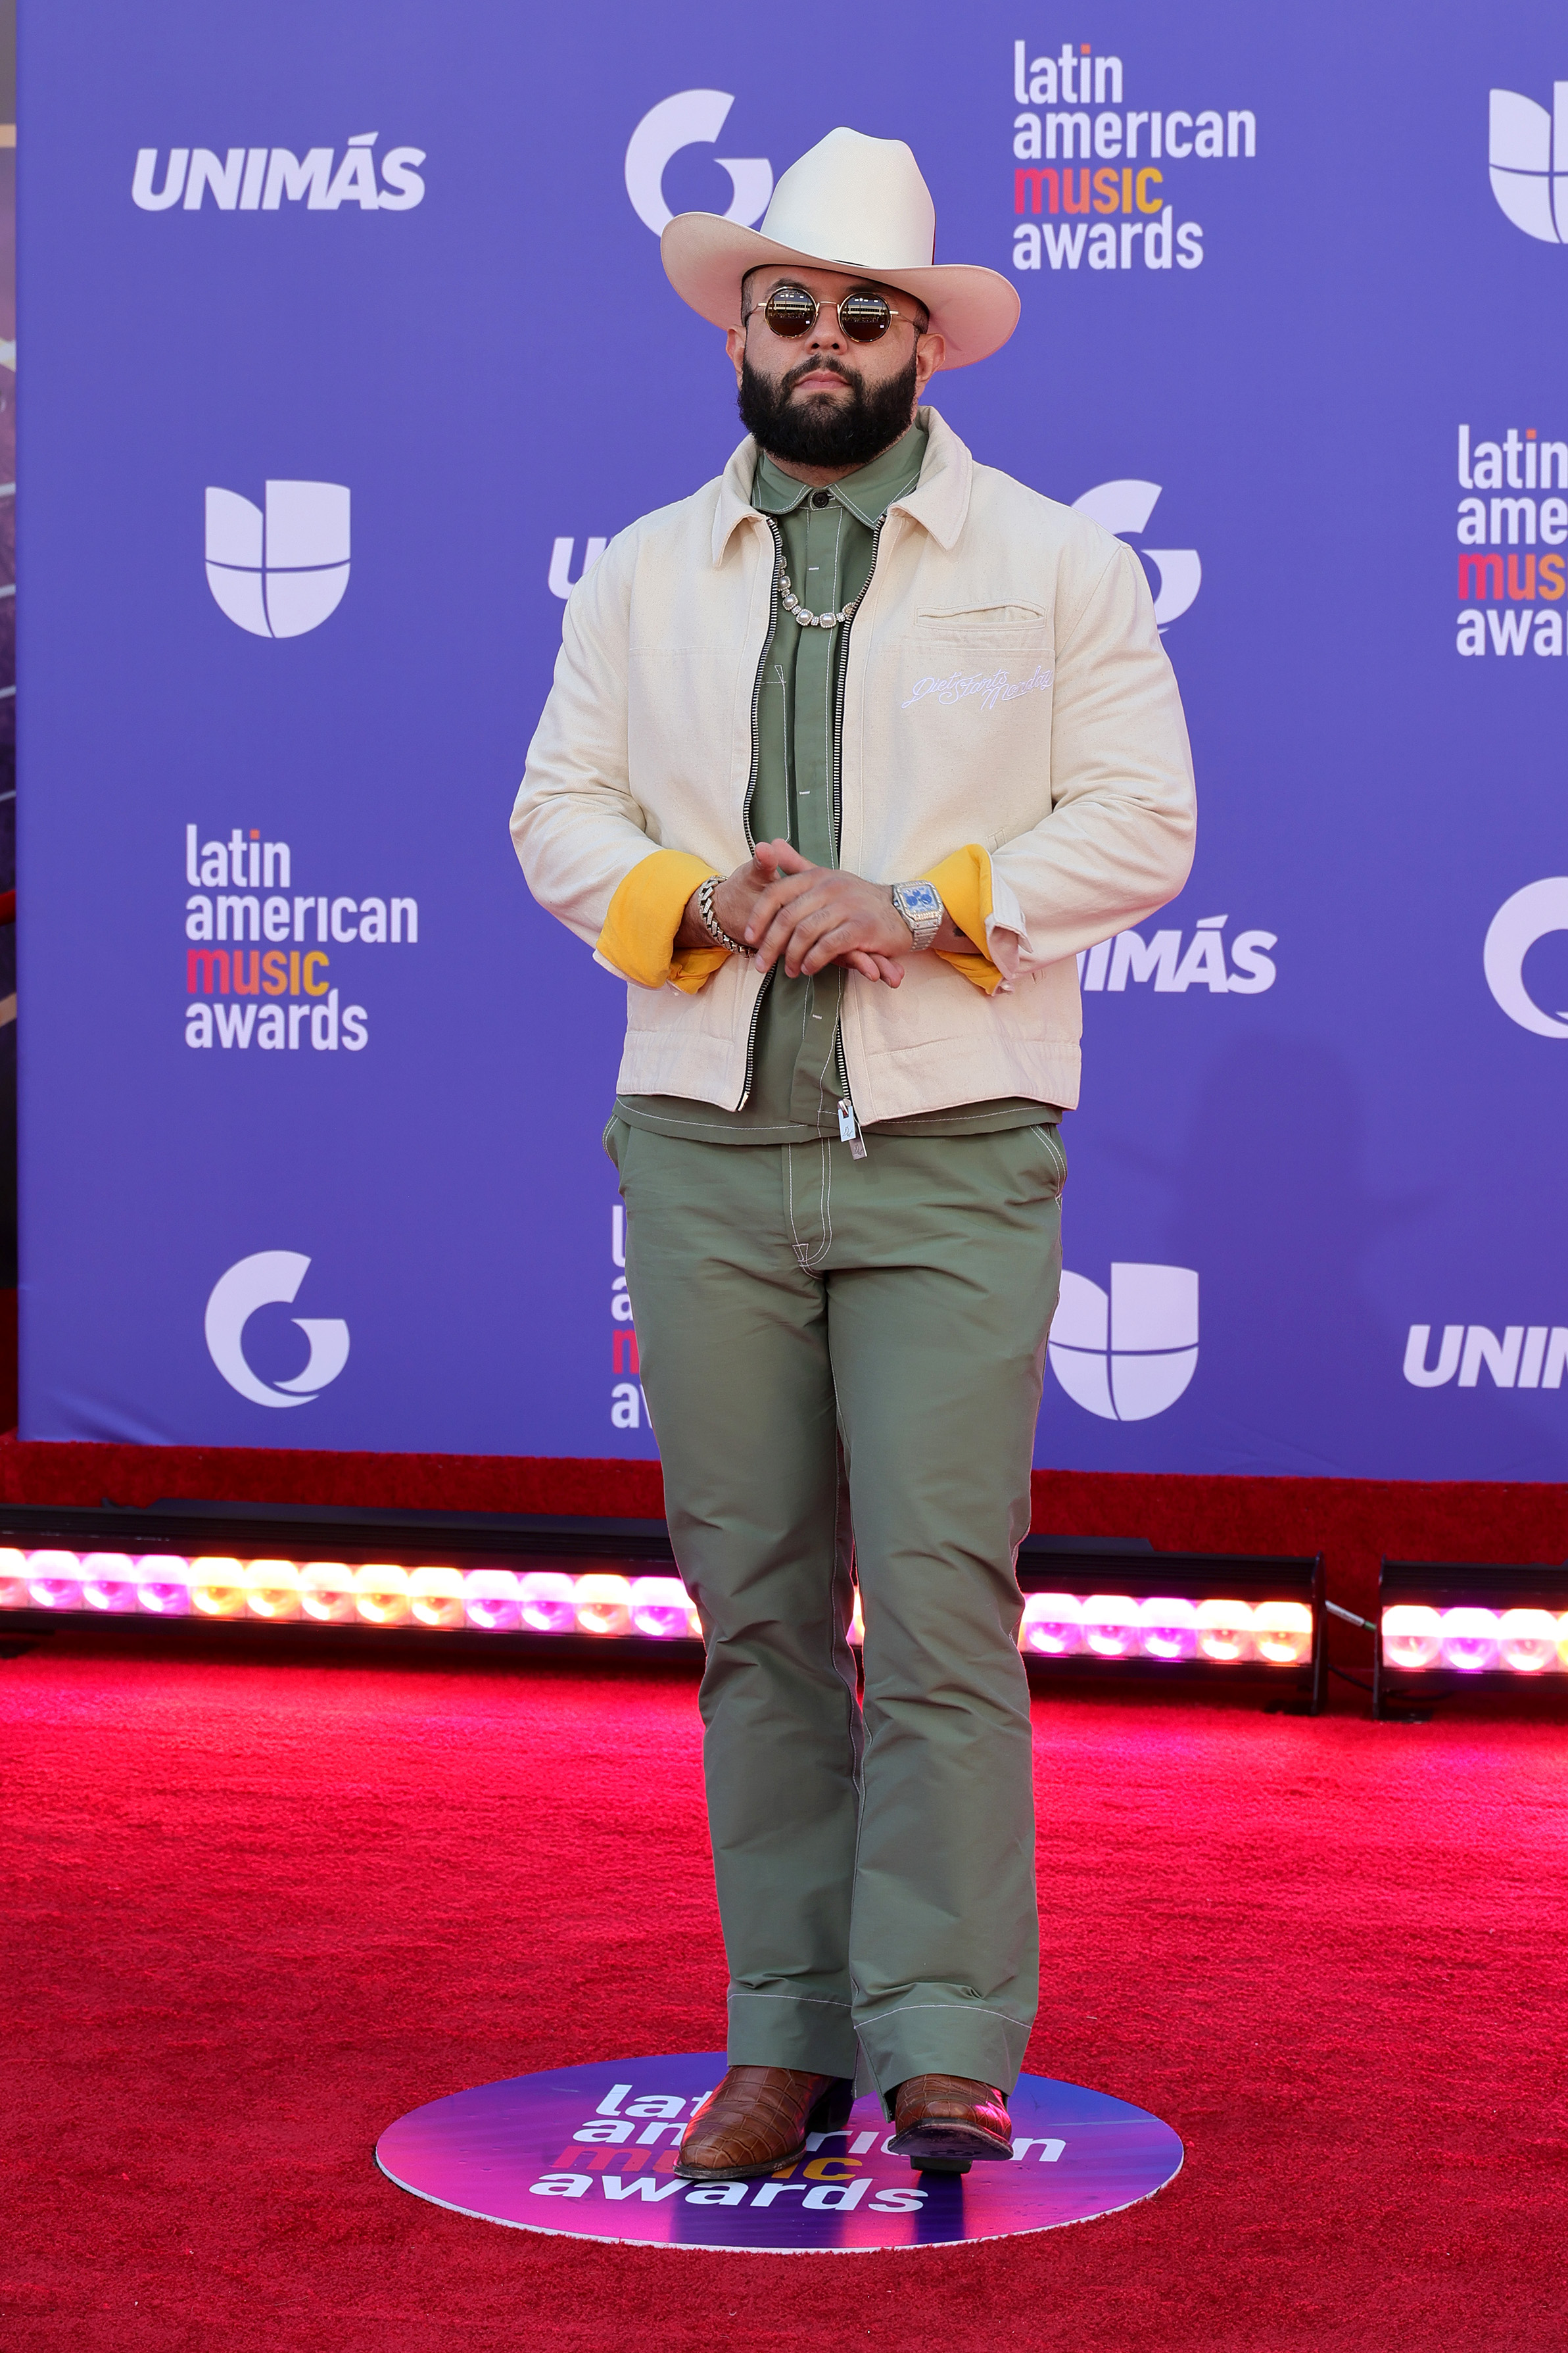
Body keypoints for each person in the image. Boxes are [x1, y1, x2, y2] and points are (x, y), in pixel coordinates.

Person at [513, 127, 1195, 2179]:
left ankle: (947, 2036)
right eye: (788, 307)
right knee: (755, 1608)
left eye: (864, 315)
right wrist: (698, 905)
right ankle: (785, 2032)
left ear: (926, 346)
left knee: (938, 1602)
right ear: (742, 325)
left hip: (951, 1143)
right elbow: (556, 816)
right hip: (704, 1146)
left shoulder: (1055, 560)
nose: (821, 342)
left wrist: (909, 902)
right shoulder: (635, 567)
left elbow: (1142, 827)